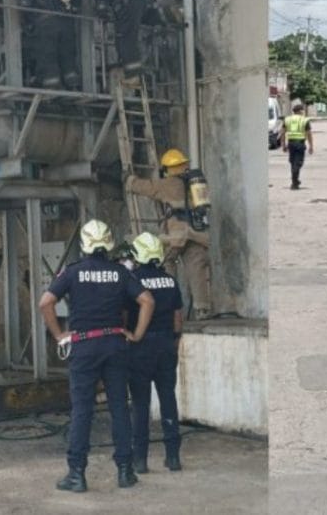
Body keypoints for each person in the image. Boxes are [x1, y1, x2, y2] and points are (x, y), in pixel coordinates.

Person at [38, 219, 154, 493]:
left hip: (84, 346)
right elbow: (147, 300)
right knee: (118, 406)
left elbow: (45, 302)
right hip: (115, 343)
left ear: (84, 245)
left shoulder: (73, 271)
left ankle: (76, 474)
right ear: (109, 243)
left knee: (82, 410)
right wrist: (135, 335)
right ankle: (125, 472)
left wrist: (58, 335)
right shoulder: (120, 272)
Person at [124, 148, 213, 320]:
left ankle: (168, 305)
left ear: (168, 169)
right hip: (196, 232)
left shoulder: (168, 184)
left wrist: (129, 180)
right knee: (197, 268)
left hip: (176, 234)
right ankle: (203, 310)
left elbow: (146, 187)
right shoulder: (194, 184)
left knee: (166, 263)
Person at [124, 231, 185, 473]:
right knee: (168, 398)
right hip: (166, 344)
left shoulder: (132, 280)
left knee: (140, 403)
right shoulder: (170, 280)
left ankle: (140, 460)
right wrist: (175, 340)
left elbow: (126, 315)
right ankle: (173, 458)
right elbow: (178, 317)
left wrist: (129, 337)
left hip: (140, 346)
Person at [20, 0, 80, 89]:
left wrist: (27, 22)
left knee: (47, 56)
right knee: (68, 56)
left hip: (45, 24)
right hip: (67, 22)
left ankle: (51, 90)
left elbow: (24, 2)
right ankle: (73, 85)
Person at [280, 101, 313, 190]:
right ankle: (294, 182)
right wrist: (311, 146)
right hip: (300, 144)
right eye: (302, 110)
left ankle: (295, 181)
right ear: (300, 111)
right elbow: (309, 134)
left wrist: (283, 145)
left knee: (293, 162)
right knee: (298, 163)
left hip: (291, 143)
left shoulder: (287, 119)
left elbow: (283, 133)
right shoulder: (304, 120)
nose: (303, 112)